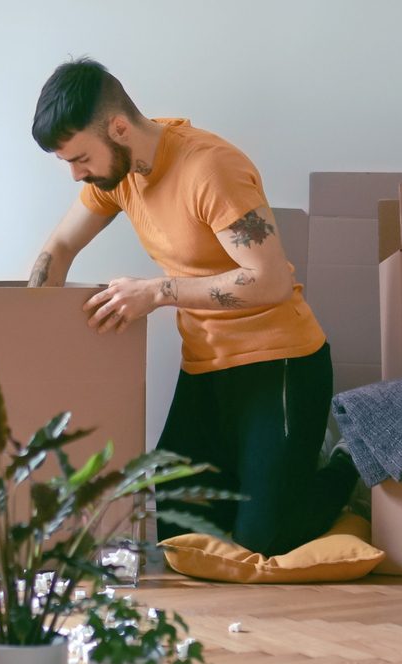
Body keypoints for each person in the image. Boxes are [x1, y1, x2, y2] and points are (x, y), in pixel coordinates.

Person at [26, 58, 356, 557]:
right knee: (178, 530)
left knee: (265, 539)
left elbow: (269, 281)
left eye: (81, 158)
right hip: (205, 367)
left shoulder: (211, 168)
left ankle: (346, 461)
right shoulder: (118, 175)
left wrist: (157, 292)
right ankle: (271, 474)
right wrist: (28, 335)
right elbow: (60, 248)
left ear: (118, 128)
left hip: (281, 362)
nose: (76, 174)